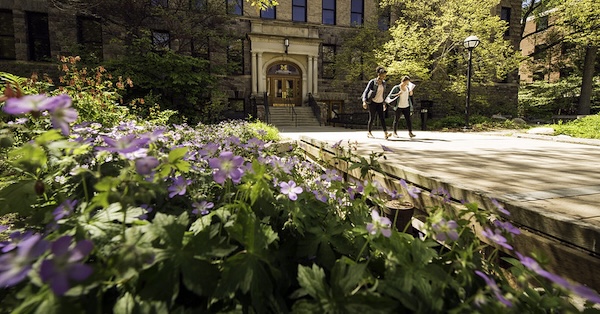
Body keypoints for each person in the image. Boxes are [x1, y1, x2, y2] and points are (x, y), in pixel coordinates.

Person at [362, 66, 391, 139]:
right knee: (372, 117)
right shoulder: (373, 82)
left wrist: (384, 103)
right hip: (373, 102)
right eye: (383, 75)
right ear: (379, 74)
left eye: (385, 75)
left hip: (380, 102)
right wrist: (364, 101)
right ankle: (369, 132)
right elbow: (366, 91)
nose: (384, 77)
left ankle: (386, 133)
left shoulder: (384, 83)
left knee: (382, 118)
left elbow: (383, 94)